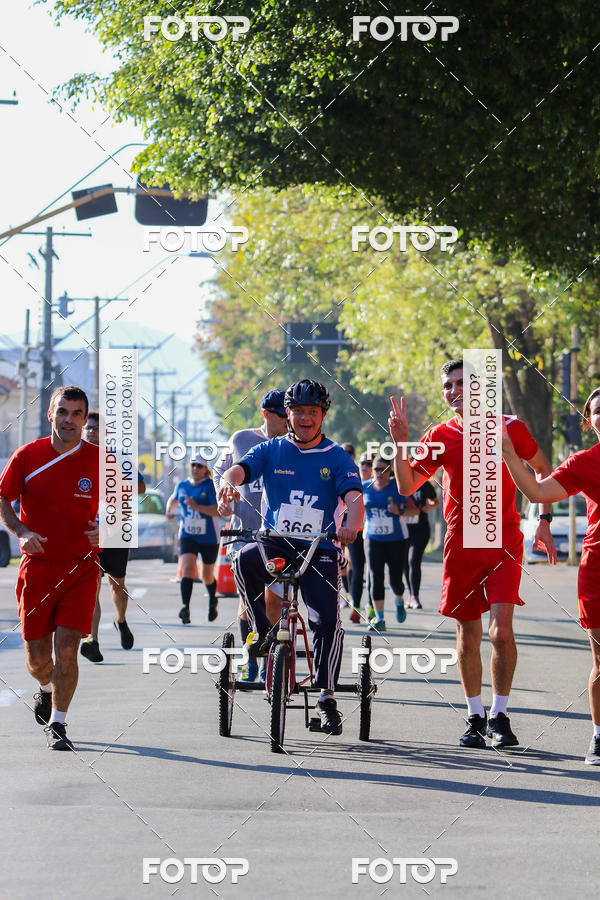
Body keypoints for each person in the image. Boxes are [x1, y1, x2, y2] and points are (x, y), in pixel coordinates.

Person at [389, 359, 556, 749]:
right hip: (461, 541)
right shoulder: (441, 434)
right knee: (468, 633)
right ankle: (475, 715)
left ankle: (500, 715)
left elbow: (543, 467)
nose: (455, 390)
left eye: (463, 382)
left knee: (501, 631)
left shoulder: (509, 428)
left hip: (504, 540)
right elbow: (406, 485)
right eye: (448, 385)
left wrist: (544, 518)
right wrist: (400, 443)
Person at [218, 379, 364, 736]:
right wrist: (228, 482)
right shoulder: (272, 449)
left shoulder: (337, 457)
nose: (305, 418)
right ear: (288, 414)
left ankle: (327, 697)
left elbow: (355, 498)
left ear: (323, 415)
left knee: (326, 620)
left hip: (320, 547)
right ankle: (262, 633)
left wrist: (352, 526)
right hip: (277, 543)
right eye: (298, 411)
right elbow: (240, 469)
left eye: (312, 412)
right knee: (243, 560)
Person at [502, 386, 600, 764]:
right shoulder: (584, 462)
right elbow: (536, 490)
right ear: (589, 422)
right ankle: (598, 738)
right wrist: (510, 455)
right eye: (598, 410)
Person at [0, 386, 99, 750]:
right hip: (38, 569)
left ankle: (59, 724)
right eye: (63, 412)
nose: (69, 420)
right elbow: (2, 497)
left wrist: (108, 527)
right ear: (50, 415)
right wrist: (21, 530)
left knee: (69, 647)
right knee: (38, 658)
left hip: (81, 568)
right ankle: (44, 688)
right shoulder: (28, 455)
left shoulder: (100, 461)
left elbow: (126, 509)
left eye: (77, 414)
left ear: (85, 419)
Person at [214, 390, 288, 681]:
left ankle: (272, 656)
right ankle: (251, 659)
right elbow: (222, 470)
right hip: (244, 531)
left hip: (279, 533)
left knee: (273, 601)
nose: (289, 421)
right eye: (284, 416)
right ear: (266, 414)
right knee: (248, 599)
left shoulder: (293, 443)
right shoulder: (241, 439)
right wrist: (224, 493)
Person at [79, 411, 146, 663]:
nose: (91, 432)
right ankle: (92, 640)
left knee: (116, 585)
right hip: (88, 533)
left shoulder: (119, 458)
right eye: (88, 428)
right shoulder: (75, 458)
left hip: (116, 530)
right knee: (91, 586)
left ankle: (121, 620)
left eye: (96, 428)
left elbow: (140, 488)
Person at [167, 456, 219, 624]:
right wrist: (170, 509)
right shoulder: (182, 485)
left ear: (205, 469)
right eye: (193, 465)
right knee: (187, 567)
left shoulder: (210, 486)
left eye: (199, 466)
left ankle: (212, 599)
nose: (195, 468)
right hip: (188, 534)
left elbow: (218, 510)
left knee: (207, 576)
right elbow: (174, 499)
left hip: (209, 536)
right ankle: (185, 607)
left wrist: (197, 507)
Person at [363, 455, 411, 631]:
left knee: (396, 579)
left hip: (397, 539)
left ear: (390, 471)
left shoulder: (397, 487)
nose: (379, 473)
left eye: (384, 470)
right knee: (375, 577)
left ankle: (399, 600)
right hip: (372, 538)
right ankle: (380, 619)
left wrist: (400, 510)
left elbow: (415, 509)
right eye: (376, 469)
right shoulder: (364, 487)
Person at [403, 480, 439, 609]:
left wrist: (429, 506)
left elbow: (436, 502)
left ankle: (415, 596)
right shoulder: (399, 483)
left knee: (414, 561)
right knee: (405, 563)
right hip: (403, 529)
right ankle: (410, 594)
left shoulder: (424, 484)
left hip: (421, 529)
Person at [348, 453, 372, 623]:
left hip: (372, 534)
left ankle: (371, 605)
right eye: (362, 463)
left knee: (372, 570)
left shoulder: (377, 485)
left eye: (369, 464)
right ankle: (355, 607)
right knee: (357, 569)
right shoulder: (352, 483)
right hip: (356, 532)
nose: (365, 466)